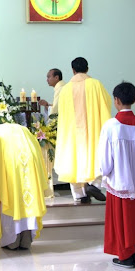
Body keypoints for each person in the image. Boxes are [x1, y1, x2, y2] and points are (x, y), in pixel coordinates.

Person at [99, 82, 135, 268]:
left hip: (121, 182)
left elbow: (105, 161)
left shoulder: (111, 126)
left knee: (123, 220)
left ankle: (125, 257)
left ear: (116, 100)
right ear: (133, 99)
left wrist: (104, 173)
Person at [54, 57, 110, 203]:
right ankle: (94, 185)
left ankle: (80, 194)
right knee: (95, 155)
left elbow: (62, 113)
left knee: (73, 159)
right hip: (92, 129)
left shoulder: (66, 89)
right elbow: (105, 104)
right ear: (87, 68)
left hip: (72, 133)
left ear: (73, 70)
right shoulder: (96, 84)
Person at [0, 123, 47, 250]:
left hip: (10, 167)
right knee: (28, 203)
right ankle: (26, 241)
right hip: (30, 165)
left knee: (11, 202)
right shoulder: (25, 133)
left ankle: (12, 241)